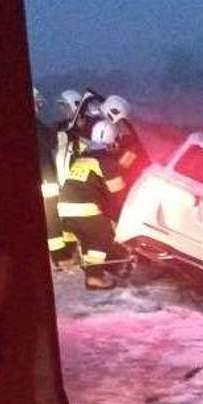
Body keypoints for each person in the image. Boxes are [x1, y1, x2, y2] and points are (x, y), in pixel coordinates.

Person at [57, 119, 130, 290]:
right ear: (112, 141)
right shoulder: (105, 160)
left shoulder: (84, 158)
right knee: (102, 234)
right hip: (83, 208)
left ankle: (94, 267)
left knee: (90, 237)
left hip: (65, 210)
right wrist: (121, 217)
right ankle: (94, 278)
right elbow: (117, 191)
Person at [36, 88, 83, 267]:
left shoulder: (44, 124)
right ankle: (59, 255)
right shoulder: (36, 124)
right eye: (38, 103)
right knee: (52, 215)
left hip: (58, 177)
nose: (39, 107)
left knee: (60, 213)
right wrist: (70, 133)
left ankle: (67, 249)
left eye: (64, 106)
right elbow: (52, 139)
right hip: (47, 177)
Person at [101, 94, 150, 211]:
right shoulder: (124, 137)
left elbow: (122, 165)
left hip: (123, 190)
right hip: (119, 188)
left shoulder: (130, 143)